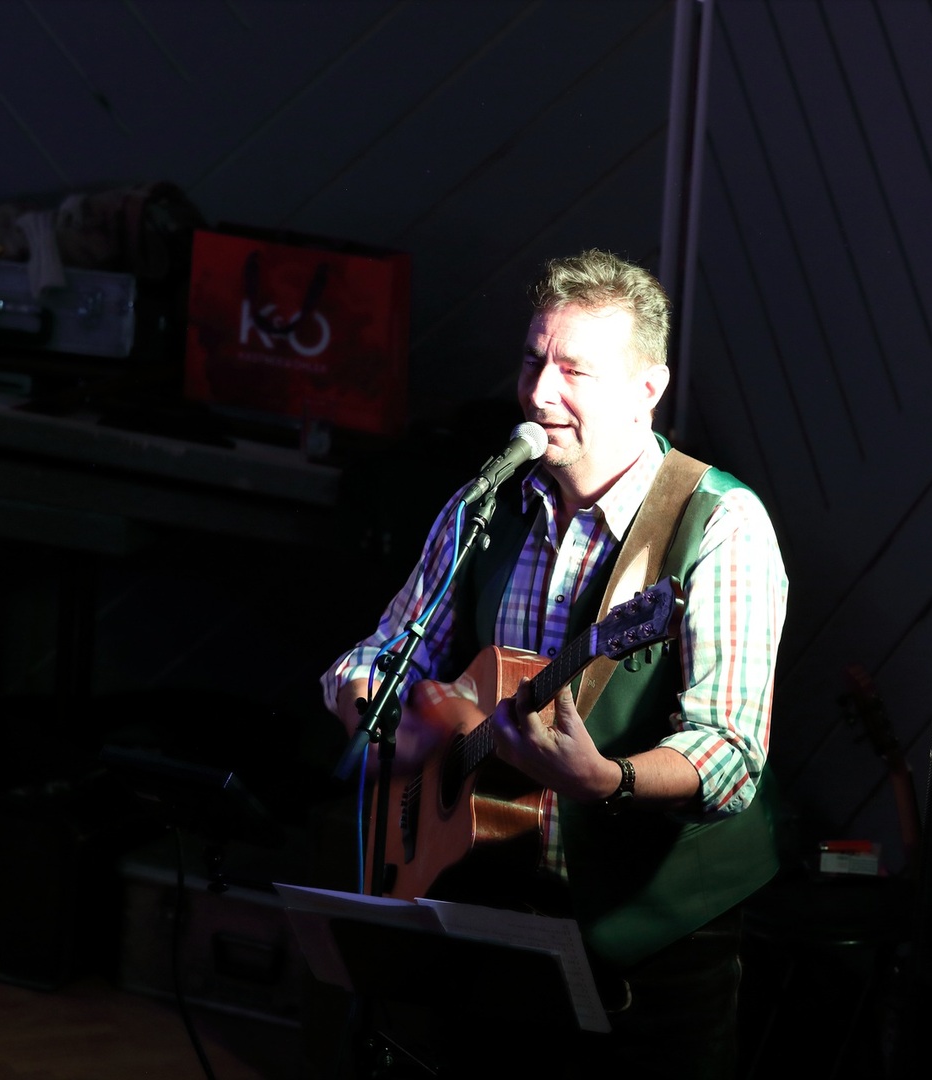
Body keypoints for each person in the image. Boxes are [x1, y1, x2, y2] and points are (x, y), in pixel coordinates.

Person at [322, 248, 788, 1079]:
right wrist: (386, 716)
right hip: (490, 904)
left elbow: (729, 754)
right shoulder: (484, 507)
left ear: (648, 388)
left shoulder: (723, 525)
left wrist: (607, 780)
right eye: (534, 360)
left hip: (650, 945)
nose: (539, 394)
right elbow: (379, 655)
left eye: (574, 370)